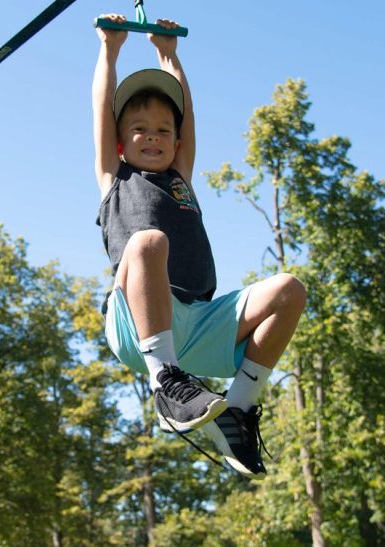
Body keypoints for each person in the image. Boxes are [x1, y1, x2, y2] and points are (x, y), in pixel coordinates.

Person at [93, 14, 306, 479]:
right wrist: (110, 49)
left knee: (289, 289)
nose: (152, 136)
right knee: (148, 242)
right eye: (139, 129)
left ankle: (240, 407)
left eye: (163, 130)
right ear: (119, 141)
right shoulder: (115, 178)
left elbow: (187, 117)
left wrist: (168, 55)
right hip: (137, 323)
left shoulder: (181, 178)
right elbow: (101, 112)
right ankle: (165, 380)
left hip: (199, 322)